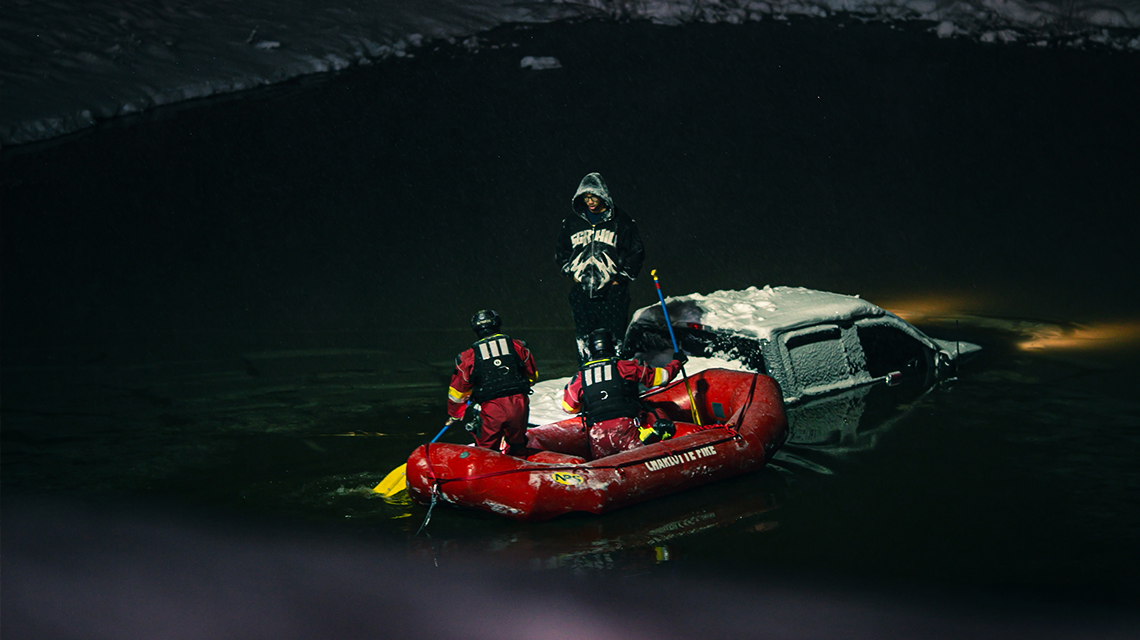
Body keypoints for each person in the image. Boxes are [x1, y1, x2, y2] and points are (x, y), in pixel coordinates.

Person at [555, 172, 645, 363]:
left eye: (593, 196)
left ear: (603, 195)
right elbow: (561, 251)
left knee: (614, 340)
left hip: (613, 292)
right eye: (586, 197)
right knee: (584, 341)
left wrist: (620, 279)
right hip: (581, 291)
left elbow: (636, 252)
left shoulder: (621, 220)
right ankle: (587, 380)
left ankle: (616, 376)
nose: (590, 201)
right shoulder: (572, 222)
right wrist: (570, 272)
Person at [561, 329, 686, 460]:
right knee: (651, 414)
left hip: (597, 434)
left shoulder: (580, 377)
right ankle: (654, 437)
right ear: (613, 346)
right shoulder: (625, 367)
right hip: (625, 428)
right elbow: (662, 378)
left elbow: (569, 407)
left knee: (605, 470)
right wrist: (677, 362)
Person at [447, 310, 539, 457]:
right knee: (518, 444)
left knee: (486, 451)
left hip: (492, 408)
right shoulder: (517, 346)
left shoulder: (467, 356)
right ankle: (521, 467)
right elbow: (532, 376)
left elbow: (458, 391)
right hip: (519, 404)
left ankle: (487, 473)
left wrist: (456, 413)